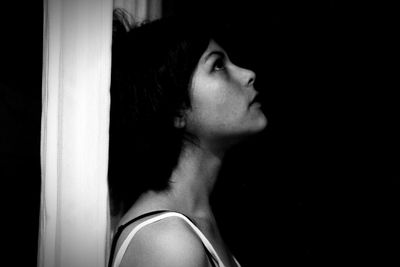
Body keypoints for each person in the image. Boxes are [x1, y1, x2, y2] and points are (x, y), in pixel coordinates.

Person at [108, 8, 267, 267]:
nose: (248, 74)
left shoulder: (196, 224)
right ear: (177, 110)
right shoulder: (168, 244)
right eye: (217, 65)